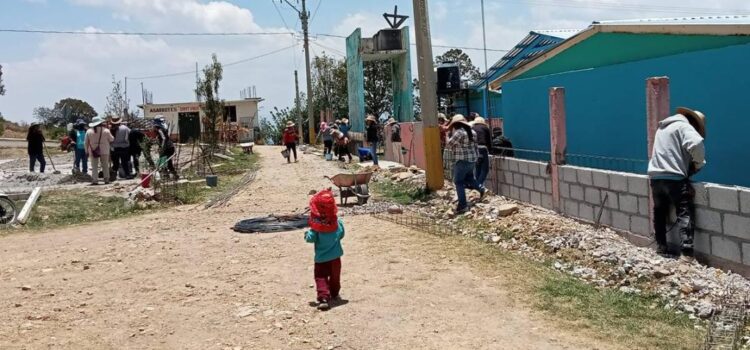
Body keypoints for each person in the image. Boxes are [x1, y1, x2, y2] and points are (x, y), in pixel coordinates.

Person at [648, 107, 706, 258]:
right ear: (693, 123)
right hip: (674, 178)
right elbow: (696, 143)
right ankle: (686, 253)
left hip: (656, 177)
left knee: (660, 212)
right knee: (684, 211)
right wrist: (698, 163)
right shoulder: (684, 126)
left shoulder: (662, 128)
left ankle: (661, 246)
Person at [304, 189, 345, 311]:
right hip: (336, 257)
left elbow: (310, 239)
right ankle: (335, 294)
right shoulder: (337, 223)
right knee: (335, 276)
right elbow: (342, 234)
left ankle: (323, 298)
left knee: (321, 277)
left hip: (321, 258)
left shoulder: (316, 227)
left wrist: (306, 234)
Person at [446, 114, 486, 214]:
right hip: (472, 160)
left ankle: (462, 205)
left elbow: (449, 144)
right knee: (470, 178)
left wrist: (446, 136)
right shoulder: (472, 132)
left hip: (462, 160)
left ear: (457, 124)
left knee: (458, 182)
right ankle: (480, 188)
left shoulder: (459, 133)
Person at [85, 116, 114, 185]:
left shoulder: (89, 131)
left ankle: (95, 180)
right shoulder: (106, 130)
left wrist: (86, 151)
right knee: (105, 165)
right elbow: (112, 139)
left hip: (93, 150)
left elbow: (86, 142)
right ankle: (106, 179)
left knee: (94, 166)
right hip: (104, 150)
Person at [471, 116, 492, 187]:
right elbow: (489, 141)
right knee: (485, 169)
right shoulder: (485, 128)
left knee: (478, 168)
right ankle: (478, 186)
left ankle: (476, 185)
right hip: (482, 149)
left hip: (474, 149)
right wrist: (490, 150)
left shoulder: (472, 128)